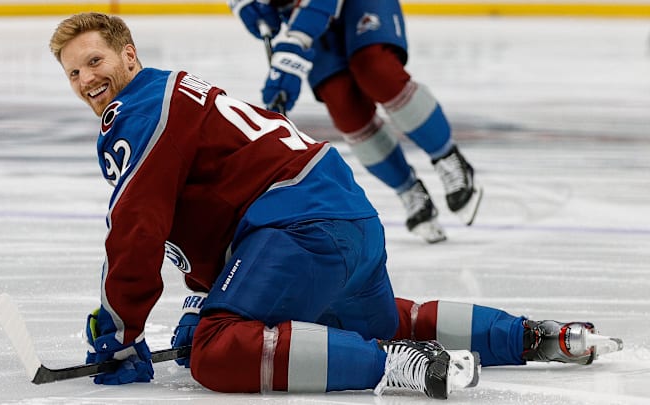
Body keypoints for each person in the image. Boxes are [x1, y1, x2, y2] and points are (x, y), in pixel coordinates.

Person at [49, 12, 622, 399]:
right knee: (374, 318)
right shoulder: (181, 91)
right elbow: (212, 202)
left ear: (128, 55)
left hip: (298, 227)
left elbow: (136, 229)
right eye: (73, 72)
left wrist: (120, 334)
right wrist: (207, 295)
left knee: (216, 351)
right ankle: (538, 336)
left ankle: (399, 365)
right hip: (343, 219)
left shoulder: (136, 110)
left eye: (95, 62)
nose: (86, 80)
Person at [228, 0, 483, 243]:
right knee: (343, 104)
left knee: (375, 69)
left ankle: (448, 158)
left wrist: (296, 42)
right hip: (299, 9)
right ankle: (408, 189)